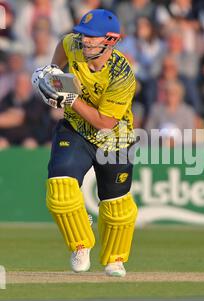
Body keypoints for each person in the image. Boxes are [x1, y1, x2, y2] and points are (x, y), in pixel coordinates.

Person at [32, 9, 138, 277]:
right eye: (84, 35)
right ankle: (80, 244)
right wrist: (53, 70)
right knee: (60, 191)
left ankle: (115, 259)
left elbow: (104, 122)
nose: (85, 41)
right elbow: (64, 45)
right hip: (75, 130)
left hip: (113, 139)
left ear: (111, 40)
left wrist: (68, 97)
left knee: (117, 209)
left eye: (92, 37)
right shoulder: (74, 45)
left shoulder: (122, 75)